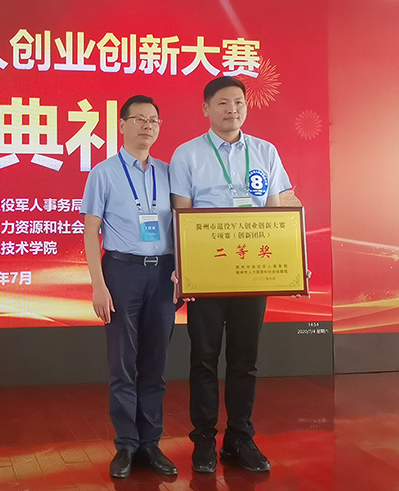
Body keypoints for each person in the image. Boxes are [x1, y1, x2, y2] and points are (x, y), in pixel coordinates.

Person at [169, 76, 293, 474]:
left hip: (251, 271)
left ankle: (240, 437)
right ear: (206, 108)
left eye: (238, 102)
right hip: (206, 274)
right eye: (223, 102)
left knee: (245, 360)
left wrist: (291, 260)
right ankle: (204, 439)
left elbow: (276, 212)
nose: (232, 109)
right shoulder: (187, 154)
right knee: (204, 359)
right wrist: (182, 270)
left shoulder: (265, 151)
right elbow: (181, 214)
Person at [80, 95, 179, 479]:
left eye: (153, 120)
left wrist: (183, 273)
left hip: (163, 274)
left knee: (155, 364)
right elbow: (91, 232)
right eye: (139, 119)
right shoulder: (103, 173)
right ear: (121, 125)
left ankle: (150, 443)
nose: (147, 126)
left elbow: (182, 226)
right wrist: (98, 285)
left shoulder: (170, 173)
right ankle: (126, 444)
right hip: (121, 272)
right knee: (123, 364)